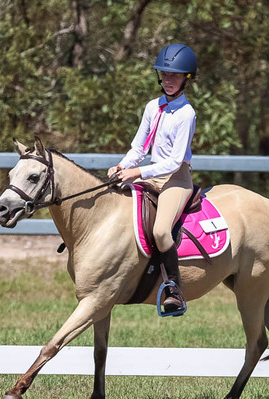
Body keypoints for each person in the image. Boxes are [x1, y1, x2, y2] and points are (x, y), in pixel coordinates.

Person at [107, 43, 197, 316]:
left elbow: (174, 161)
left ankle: (174, 290)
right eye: (165, 75)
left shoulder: (186, 114)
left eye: (176, 76)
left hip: (175, 178)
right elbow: (139, 147)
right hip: (151, 174)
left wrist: (137, 172)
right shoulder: (152, 107)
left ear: (187, 79)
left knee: (160, 231)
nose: (169, 80)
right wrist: (122, 165)